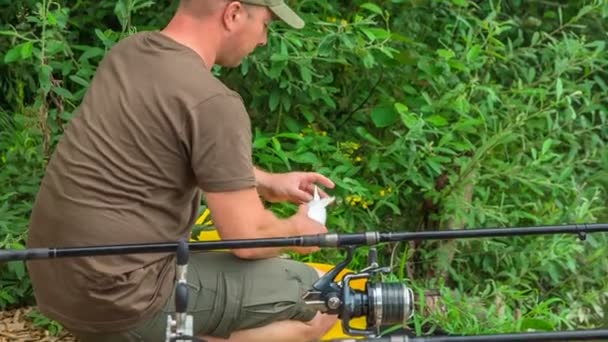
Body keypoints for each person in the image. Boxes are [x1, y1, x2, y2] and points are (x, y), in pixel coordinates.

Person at [26, 1, 338, 341]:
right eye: (266, 24)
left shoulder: (130, 53)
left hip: (58, 284)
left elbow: (170, 149)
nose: (264, 39)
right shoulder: (213, 101)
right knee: (322, 294)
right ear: (233, 14)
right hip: (125, 302)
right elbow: (248, 239)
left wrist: (267, 182)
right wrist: (299, 229)